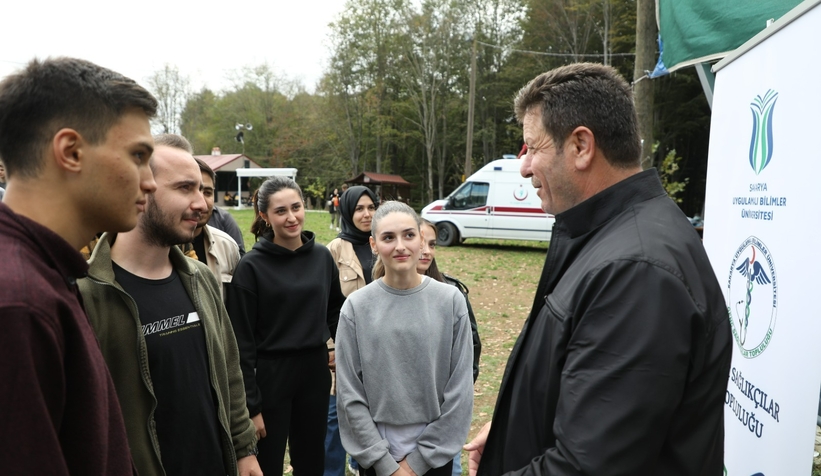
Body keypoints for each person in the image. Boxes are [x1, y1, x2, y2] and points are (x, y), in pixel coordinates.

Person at [464, 63, 732, 476]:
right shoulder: (611, 235)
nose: (524, 166)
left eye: (533, 148)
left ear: (581, 146)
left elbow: (588, 467)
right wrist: (513, 431)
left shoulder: (637, 272)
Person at [0, 56, 157, 475]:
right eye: (138, 155)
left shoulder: (46, 274)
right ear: (70, 151)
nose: (150, 181)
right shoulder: (18, 302)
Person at [78, 134, 261, 476]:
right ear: (140, 189)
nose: (203, 204)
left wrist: (243, 449)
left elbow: (229, 373)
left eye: (203, 191)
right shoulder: (89, 294)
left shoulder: (200, 278)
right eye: (184, 188)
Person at [336, 201, 474, 476]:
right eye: (388, 238)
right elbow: (349, 393)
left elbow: (460, 390)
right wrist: (384, 463)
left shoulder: (450, 301)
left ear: (422, 240)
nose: (400, 246)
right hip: (377, 456)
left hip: (434, 456)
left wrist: (417, 462)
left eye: (409, 235)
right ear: (374, 245)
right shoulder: (356, 307)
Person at [226, 176, 346, 476]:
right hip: (271, 377)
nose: (291, 217)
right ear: (264, 215)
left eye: (296, 207)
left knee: (310, 459)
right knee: (268, 461)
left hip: (314, 373)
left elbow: (336, 311)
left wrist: (345, 348)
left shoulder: (321, 257)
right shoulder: (251, 267)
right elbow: (241, 343)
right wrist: (251, 407)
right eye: (281, 211)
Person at [325, 185, 380, 476]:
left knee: (374, 421)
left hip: (382, 350)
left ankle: (361, 466)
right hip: (345, 351)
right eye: (359, 208)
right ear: (347, 211)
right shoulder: (334, 250)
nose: (366, 214)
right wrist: (332, 347)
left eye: (371, 207)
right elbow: (325, 305)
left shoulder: (382, 242)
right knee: (336, 419)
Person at [189, 156, 241, 297]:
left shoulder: (227, 247)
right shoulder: (155, 251)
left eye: (207, 192)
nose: (201, 202)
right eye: (190, 190)